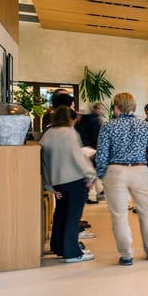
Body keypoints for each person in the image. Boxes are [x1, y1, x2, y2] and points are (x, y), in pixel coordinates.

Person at [95, 92, 148, 265]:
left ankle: (126, 255)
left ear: (117, 107)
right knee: (146, 212)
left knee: (119, 216)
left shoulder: (108, 126)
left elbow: (102, 154)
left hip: (115, 171)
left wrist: (101, 174)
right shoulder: (147, 126)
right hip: (140, 169)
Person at [40, 105, 97, 263]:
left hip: (56, 182)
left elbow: (44, 163)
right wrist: (91, 175)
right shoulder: (69, 133)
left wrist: (49, 185)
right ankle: (72, 253)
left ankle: (58, 247)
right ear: (69, 119)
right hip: (73, 180)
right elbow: (78, 157)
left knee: (61, 214)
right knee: (72, 217)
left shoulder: (47, 134)